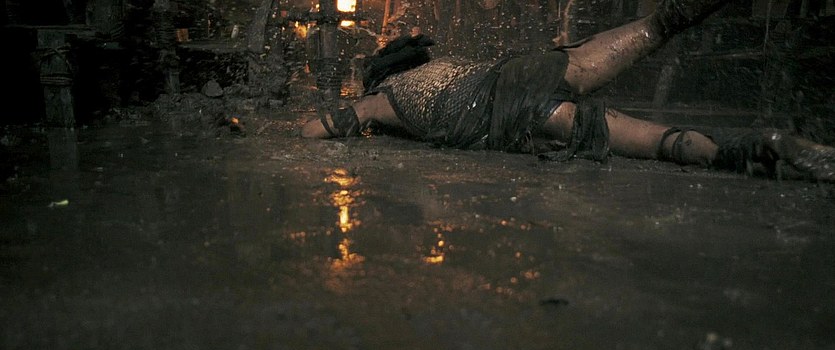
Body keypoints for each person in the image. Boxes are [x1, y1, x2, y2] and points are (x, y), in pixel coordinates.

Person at [301, 0, 835, 183]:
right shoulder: (446, 64)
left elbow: (320, 129)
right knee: (642, 32)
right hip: (523, 72)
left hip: (509, 114)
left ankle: (755, 148)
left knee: (657, 143)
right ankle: (670, 16)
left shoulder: (383, 97)